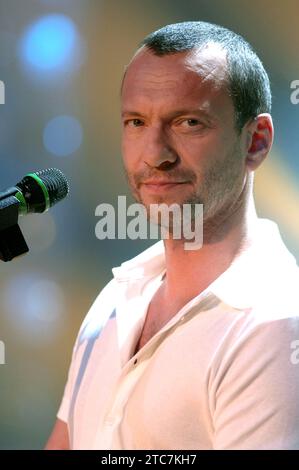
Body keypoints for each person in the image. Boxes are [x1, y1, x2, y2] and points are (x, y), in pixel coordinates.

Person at [45, 21, 299, 450]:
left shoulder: (275, 325)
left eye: (188, 122)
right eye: (136, 122)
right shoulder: (117, 295)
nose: (155, 154)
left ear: (256, 142)